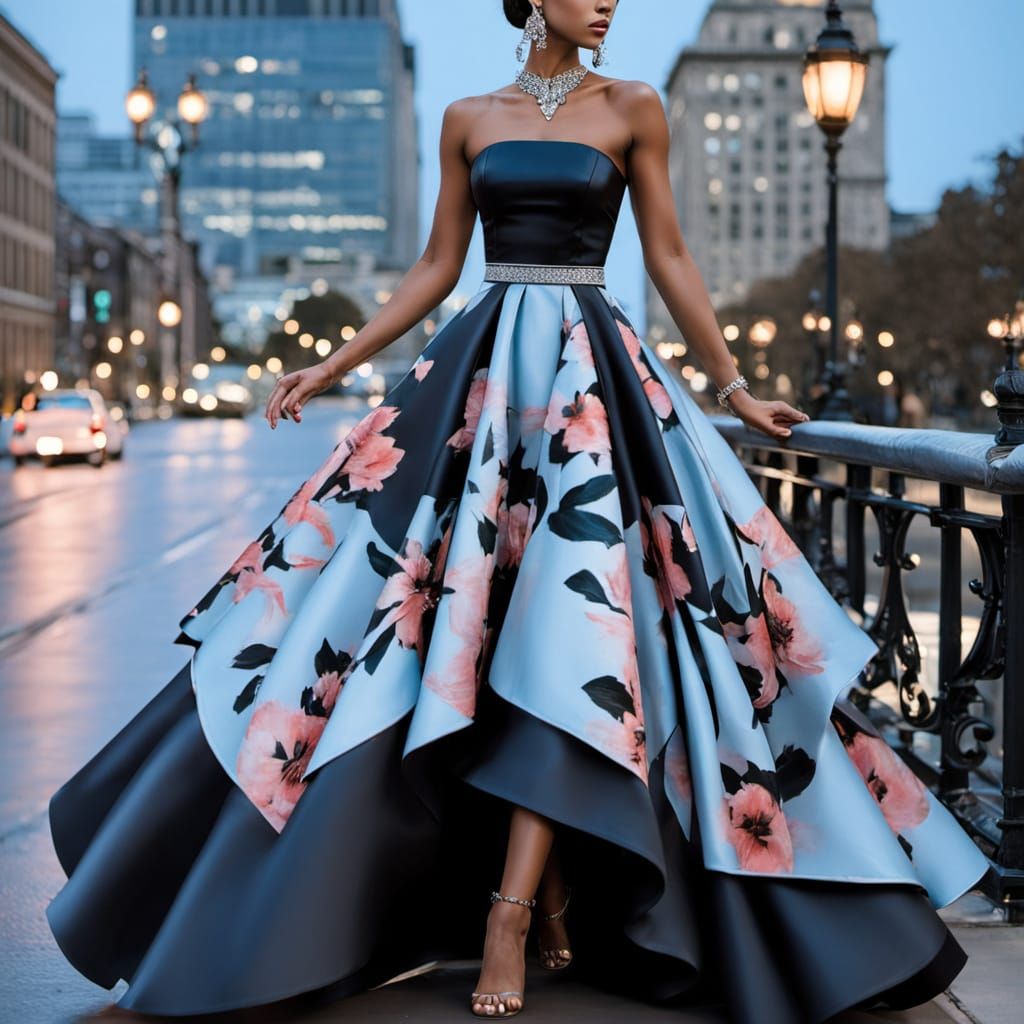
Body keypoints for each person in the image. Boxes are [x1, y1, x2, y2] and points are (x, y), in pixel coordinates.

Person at [45, 1, 990, 1021]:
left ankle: (514, 907)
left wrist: (728, 386)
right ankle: (515, 895)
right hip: (486, 379)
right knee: (426, 627)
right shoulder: (467, 115)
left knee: (573, 636)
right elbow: (435, 267)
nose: (607, 1)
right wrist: (335, 361)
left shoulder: (634, 106)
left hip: (593, 384)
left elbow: (669, 255)